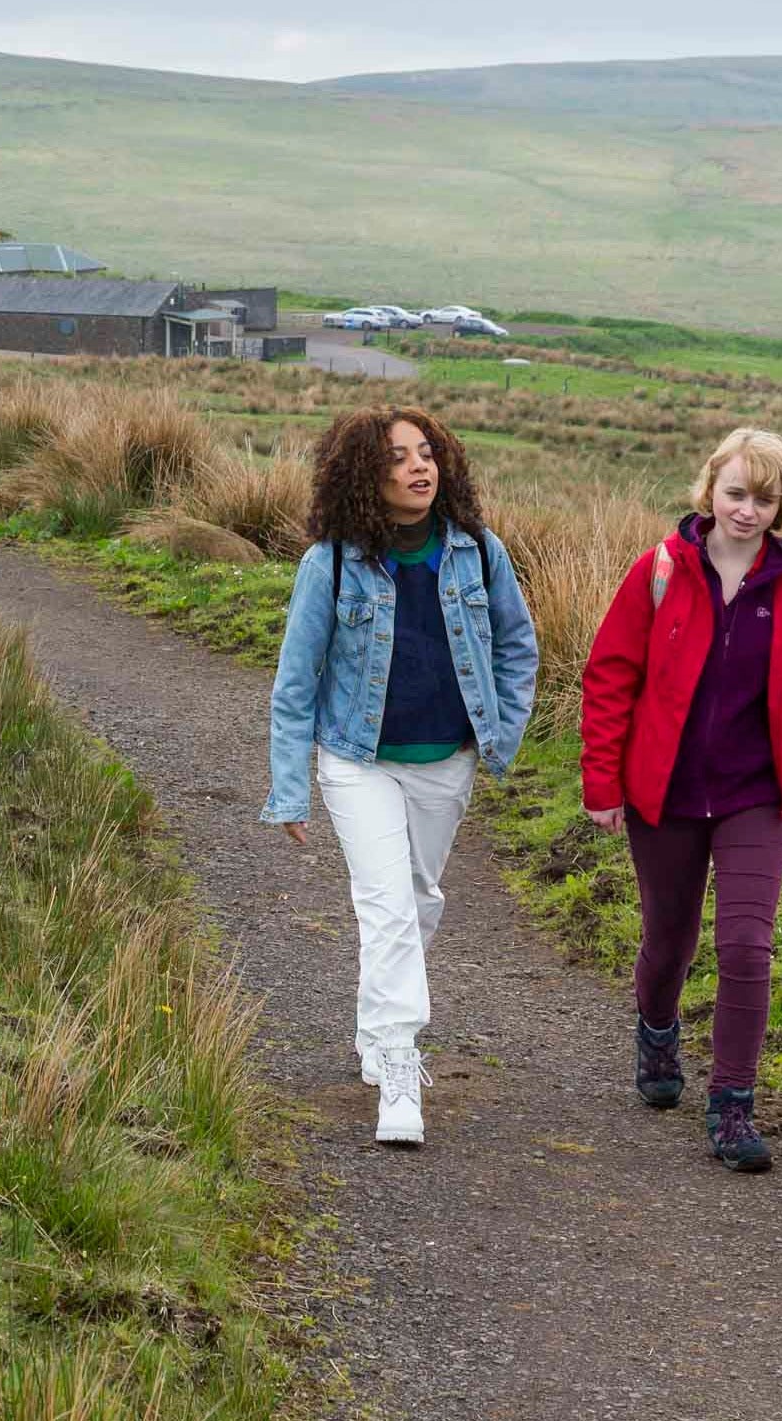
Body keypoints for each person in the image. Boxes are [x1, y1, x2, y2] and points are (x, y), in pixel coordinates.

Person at [264, 407, 540, 1146]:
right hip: (356, 762)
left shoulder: (479, 552)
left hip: (444, 761)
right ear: (364, 474)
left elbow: (518, 646)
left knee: (416, 904)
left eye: (427, 453)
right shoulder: (330, 564)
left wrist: (501, 734)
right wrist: (290, 787)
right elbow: (296, 684)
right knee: (386, 907)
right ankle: (398, 1066)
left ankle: (372, 1029)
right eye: (398, 457)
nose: (419, 467)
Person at [581, 426, 782, 1173]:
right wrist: (602, 782)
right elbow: (610, 679)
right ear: (709, 489)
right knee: (669, 938)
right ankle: (657, 1028)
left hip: (755, 795)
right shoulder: (660, 571)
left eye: (765, 498)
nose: (748, 510)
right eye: (736, 493)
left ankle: (732, 1104)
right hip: (662, 791)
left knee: (746, 945)